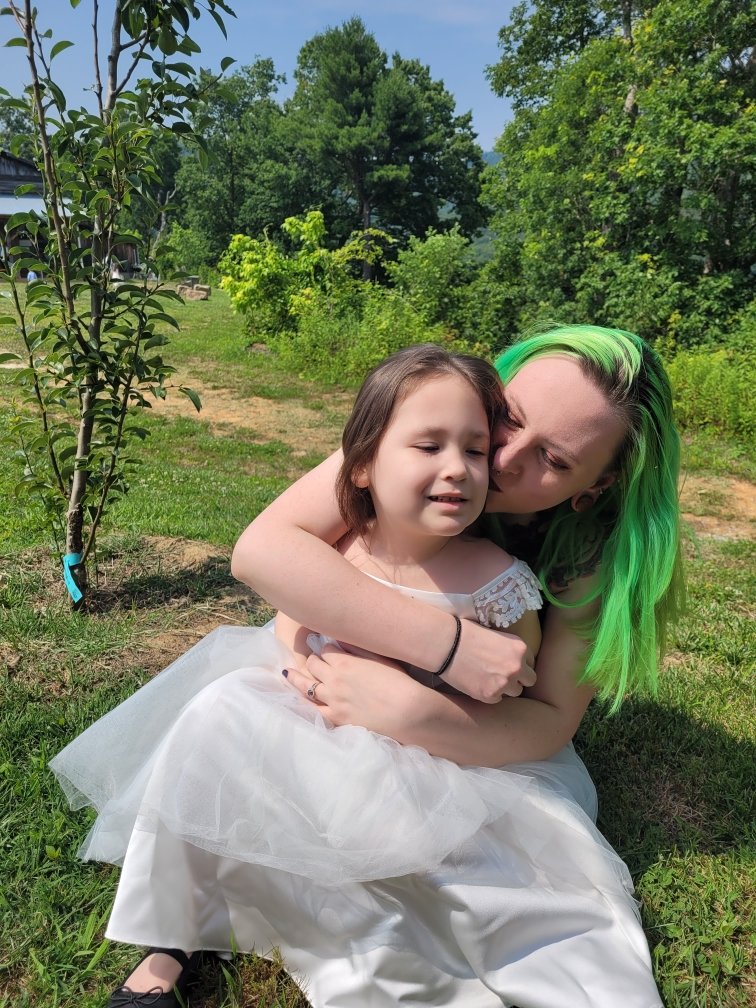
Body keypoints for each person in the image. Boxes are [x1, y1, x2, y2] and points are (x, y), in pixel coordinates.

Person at [52, 325, 682, 1008]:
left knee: (478, 882)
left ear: (598, 484)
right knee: (226, 735)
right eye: (508, 418)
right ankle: (169, 940)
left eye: (553, 462)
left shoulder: (588, 555)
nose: (500, 460)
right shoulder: (428, 429)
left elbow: (550, 718)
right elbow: (266, 551)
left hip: (467, 733)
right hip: (327, 670)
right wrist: (443, 645)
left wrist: (417, 711)